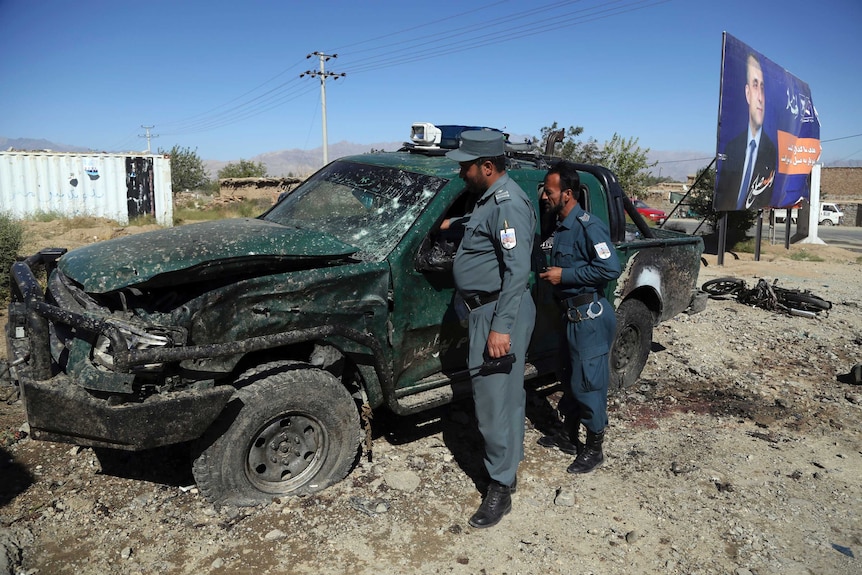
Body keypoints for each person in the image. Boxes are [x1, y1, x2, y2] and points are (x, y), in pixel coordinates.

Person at [440, 130, 536, 528]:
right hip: (489, 309)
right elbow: (483, 227)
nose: (462, 171)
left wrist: (501, 328)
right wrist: (452, 225)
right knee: (504, 396)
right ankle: (509, 463)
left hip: (500, 311)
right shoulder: (490, 201)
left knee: (493, 402)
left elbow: (517, 271)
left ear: (488, 167)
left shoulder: (508, 202)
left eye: (466, 165)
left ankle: (500, 486)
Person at [538, 161, 621, 474]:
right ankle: (569, 435)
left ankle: (594, 448)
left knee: (589, 384)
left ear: (568, 194)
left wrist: (566, 275)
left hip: (590, 318)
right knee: (570, 377)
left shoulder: (588, 226)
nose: (545, 197)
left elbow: (610, 268)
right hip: (570, 317)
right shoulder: (561, 226)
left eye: (550, 192)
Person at [715, 52, 778, 211]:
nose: (760, 98)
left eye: (763, 88)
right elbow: (724, 195)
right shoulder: (732, 147)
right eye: (755, 85)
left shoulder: (771, 151)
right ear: (747, 93)